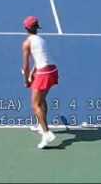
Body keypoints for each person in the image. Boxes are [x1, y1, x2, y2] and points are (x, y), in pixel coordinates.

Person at [21, 16, 58, 149]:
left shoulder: (26, 43)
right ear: (37, 28)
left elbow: (25, 66)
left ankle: (47, 133)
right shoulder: (42, 40)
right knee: (42, 100)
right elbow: (41, 59)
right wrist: (32, 73)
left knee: (35, 104)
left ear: (26, 28)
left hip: (44, 73)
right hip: (52, 71)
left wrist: (26, 80)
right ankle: (40, 126)